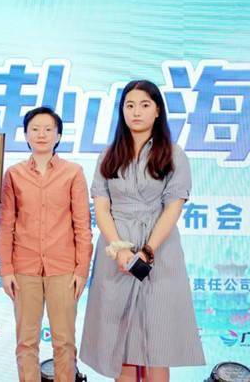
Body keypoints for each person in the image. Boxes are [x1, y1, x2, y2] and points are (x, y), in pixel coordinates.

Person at [79, 80, 205, 382]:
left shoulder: (173, 154)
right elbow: (102, 208)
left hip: (160, 251)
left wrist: (147, 250)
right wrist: (119, 249)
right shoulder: (108, 155)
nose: (136, 112)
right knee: (118, 341)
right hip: (115, 253)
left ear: (157, 110)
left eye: (144, 105)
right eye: (130, 105)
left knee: (157, 342)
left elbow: (173, 208)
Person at [0, 107, 93, 382]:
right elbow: (6, 225)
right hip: (23, 267)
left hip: (63, 268)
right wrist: (6, 269)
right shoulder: (13, 174)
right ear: (26, 135)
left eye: (48, 129)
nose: (42, 134)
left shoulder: (73, 172)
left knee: (64, 342)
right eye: (35, 129)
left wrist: (81, 270)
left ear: (58, 135)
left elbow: (82, 226)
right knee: (26, 343)